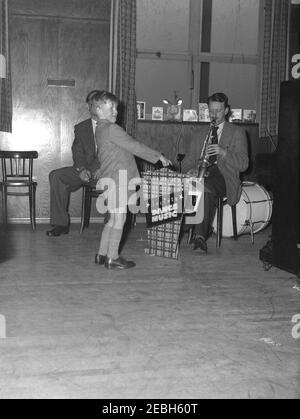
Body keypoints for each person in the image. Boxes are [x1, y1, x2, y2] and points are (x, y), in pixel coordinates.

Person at [92, 91, 172, 269]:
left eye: (116, 107)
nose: (115, 111)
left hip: (110, 179)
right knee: (120, 219)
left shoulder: (100, 128)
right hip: (118, 179)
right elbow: (134, 146)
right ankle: (113, 257)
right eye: (110, 107)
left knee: (113, 219)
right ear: (98, 109)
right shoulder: (112, 129)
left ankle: (101, 254)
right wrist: (158, 156)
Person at [188, 92, 249, 252]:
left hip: (225, 177)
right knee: (185, 185)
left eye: (218, 110)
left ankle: (199, 235)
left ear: (227, 110)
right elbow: (193, 159)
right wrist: (195, 168)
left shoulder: (237, 132)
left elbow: (244, 164)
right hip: (205, 175)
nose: (214, 115)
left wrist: (224, 152)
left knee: (204, 187)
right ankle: (184, 229)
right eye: (211, 111)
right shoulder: (201, 133)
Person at [46, 90, 102, 237]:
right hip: (85, 170)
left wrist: (102, 168)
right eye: (91, 104)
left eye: (97, 103)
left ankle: (112, 226)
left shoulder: (115, 127)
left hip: (105, 171)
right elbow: (77, 150)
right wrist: (81, 169)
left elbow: (116, 153)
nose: (94, 106)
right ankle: (60, 224)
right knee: (56, 176)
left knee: (118, 181)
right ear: (89, 107)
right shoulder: (81, 127)